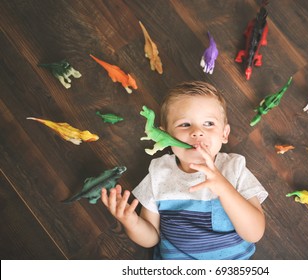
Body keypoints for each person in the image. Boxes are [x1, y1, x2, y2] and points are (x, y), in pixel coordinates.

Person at [101, 81, 268, 260]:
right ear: (165, 136)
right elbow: (151, 239)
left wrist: (224, 188)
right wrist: (131, 222)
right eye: (185, 125)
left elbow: (254, 234)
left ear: (224, 134)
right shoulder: (158, 174)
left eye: (209, 123)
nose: (197, 132)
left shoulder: (234, 168)